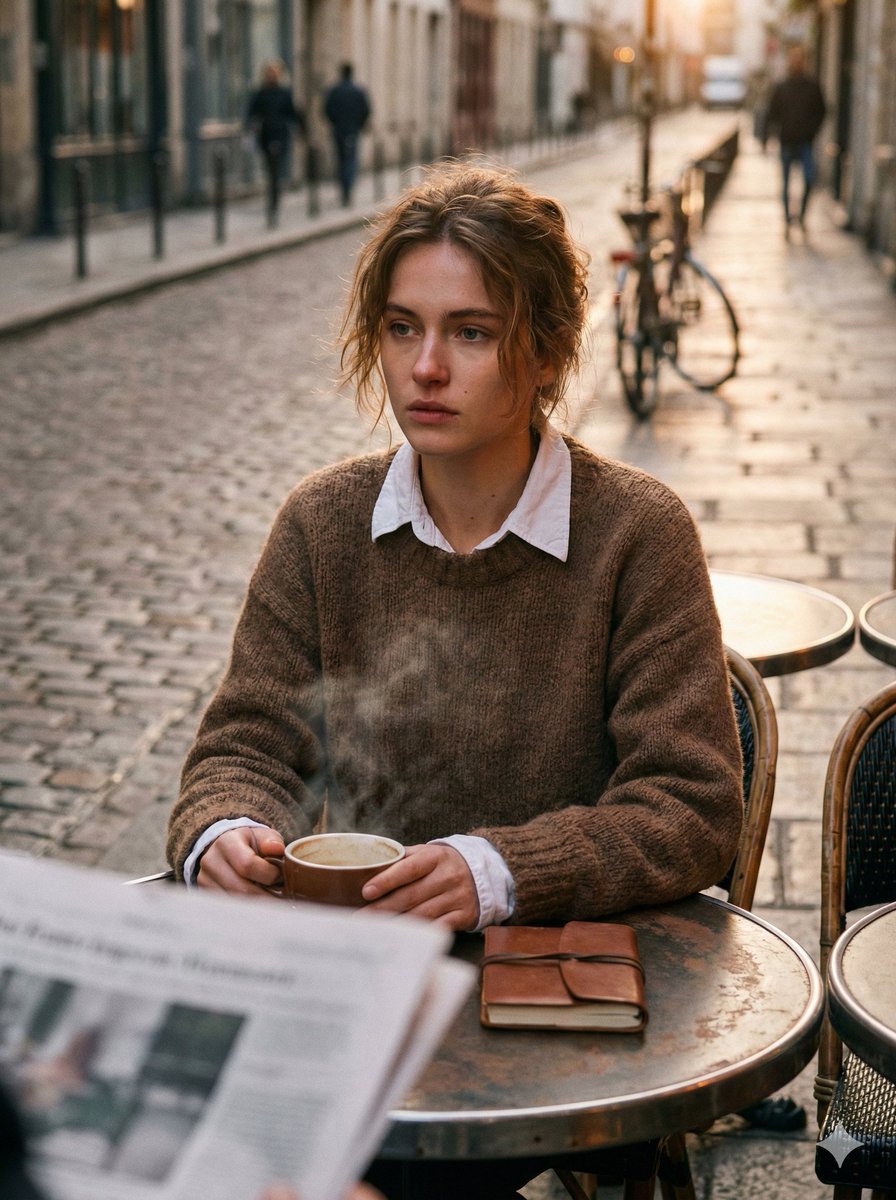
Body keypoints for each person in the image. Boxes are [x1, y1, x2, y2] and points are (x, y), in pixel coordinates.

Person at [167, 160, 742, 1199]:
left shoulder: (635, 534)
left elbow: (691, 806)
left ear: (546, 350)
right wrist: (223, 834)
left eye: (469, 333)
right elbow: (244, 743)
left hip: (559, 1014)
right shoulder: (323, 525)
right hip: (369, 996)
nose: (424, 367)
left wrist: (497, 870)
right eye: (400, 328)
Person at [763, 44, 826, 232]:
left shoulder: (812, 86)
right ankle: (787, 220)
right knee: (785, 184)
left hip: (805, 141)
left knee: (809, 179)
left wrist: (811, 132)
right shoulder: (782, 86)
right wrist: (767, 138)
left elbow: (822, 111)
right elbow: (772, 113)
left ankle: (802, 216)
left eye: (799, 58)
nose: (796, 62)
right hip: (787, 141)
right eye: (793, 58)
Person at [245, 59, 306, 224]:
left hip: (280, 135)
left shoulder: (284, 93)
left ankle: (274, 200)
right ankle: (273, 197)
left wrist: (300, 130)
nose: (271, 75)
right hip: (265, 135)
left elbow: (293, 113)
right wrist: (249, 127)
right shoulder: (260, 93)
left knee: (275, 168)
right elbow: (252, 112)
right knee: (270, 169)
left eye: (274, 72)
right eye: (268, 73)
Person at [323, 63, 371, 206]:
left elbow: (327, 110)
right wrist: (359, 125)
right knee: (350, 161)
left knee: (341, 160)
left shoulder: (334, 91)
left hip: (338, 130)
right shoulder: (358, 91)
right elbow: (366, 110)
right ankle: (347, 190)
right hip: (352, 130)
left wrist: (334, 123)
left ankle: (344, 189)